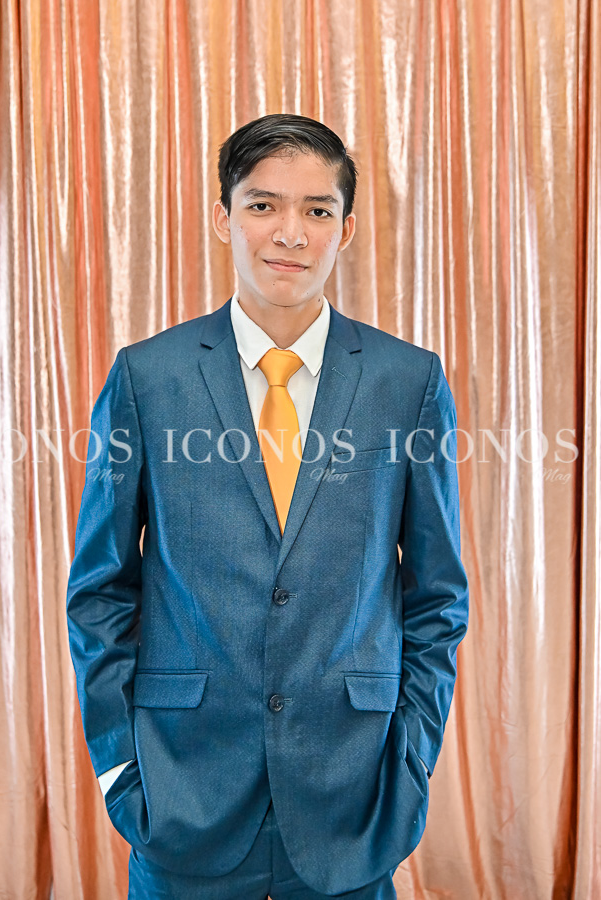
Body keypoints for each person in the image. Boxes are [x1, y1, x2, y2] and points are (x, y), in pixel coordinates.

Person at [66, 113, 469, 899]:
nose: (290, 232)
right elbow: (101, 590)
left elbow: (437, 595)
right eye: (262, 205)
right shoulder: (148, 377)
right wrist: (121, 766)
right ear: (224, 217)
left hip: (354, 801)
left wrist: (411, 762)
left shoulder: (408, 382)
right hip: (182, 796)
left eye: (317, 209)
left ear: (345, 229)